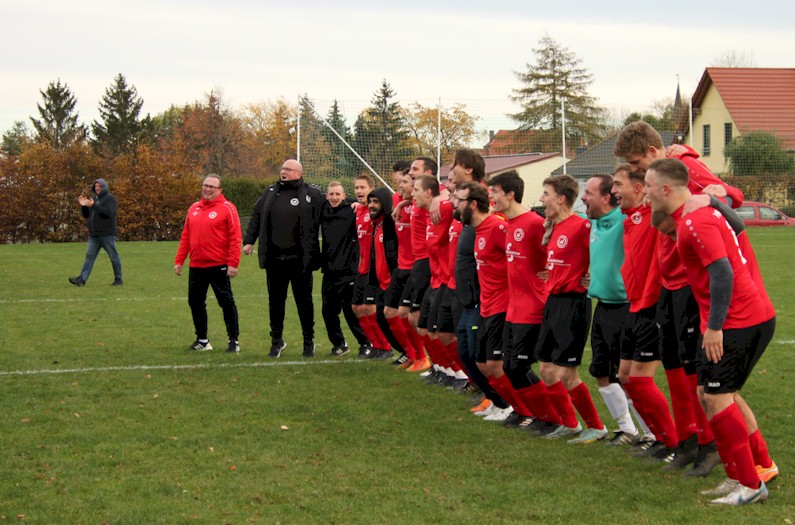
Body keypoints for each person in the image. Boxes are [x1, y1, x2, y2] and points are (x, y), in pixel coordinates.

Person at [644, 157, 776, 506]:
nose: (645, 192)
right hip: (729, 320)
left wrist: (715, 327)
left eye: (647, 185)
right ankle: (738, 476)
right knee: (707, 395)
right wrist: (717, 201)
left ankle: (751, 484)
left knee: (718, 398)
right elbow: (739, 230)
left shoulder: (694, 222)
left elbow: (722, 274)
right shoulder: (695, 216)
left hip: (739, 321)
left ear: (666, 189)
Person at [534, 175, 605, 440]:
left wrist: (592, 277)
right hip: (553, 301)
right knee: (547, 369)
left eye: (546, 193)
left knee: (566, 372)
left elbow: (605, 254)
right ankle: (570, 423)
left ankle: (597, 426)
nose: (542, 199)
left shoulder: (582, 226)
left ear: (561, 199)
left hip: (574, 303)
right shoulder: (553, 226)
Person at [579, 173, 644, 446]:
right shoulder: (592, 223)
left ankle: (653, 433)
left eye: (589, 193)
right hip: (602, 307)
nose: (583, 197)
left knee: (629, 378)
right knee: (601, 372)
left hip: (626, 309)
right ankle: (626, 429)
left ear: (606, 198)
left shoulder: (624, 221)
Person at [243, 159, 325, 358]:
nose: (283, 172)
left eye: (288, 169)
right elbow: (256, 215)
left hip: (300, 260)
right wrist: (249, 240)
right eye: (282, 169)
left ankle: (308, 342)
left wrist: (354, 204)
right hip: (274, 259)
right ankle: (276, 341)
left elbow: (332, 205)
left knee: (304, 302)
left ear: (298, 173)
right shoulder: (270, 192)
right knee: (276, 302)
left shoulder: (311, 193)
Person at [174, 175, 242, 353]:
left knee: (226, 302)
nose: (208, 189)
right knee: (195, 302)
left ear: (220, 190)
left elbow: (235, 238)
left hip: (218, 264)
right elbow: (186, 236)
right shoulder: (193, 208)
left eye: (212, 186)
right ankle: (202, 340)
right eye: (205, 185)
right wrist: (180, 260)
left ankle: (233, 340)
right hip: (196, 265)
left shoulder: (228, 208)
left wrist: (233, 263)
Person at [320, 181, 369, 356]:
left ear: (343, 196)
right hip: (329, 270)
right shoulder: (323, 210)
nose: (334, 197)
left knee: (350, 311)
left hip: (349, 270)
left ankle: (365, 343)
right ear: (327, 196)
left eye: (337, 194)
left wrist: (355, 203)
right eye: (331, 194)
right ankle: (339, 344)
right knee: (328, 310)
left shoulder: (352, 210)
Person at [69, 178, 123, 287]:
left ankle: (118, 279)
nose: (97, 188)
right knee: (89, 256)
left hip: (107, 234)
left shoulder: (110, 199)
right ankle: (82, 280)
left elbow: (107, 213)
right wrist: (84, 206)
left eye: (99, 186)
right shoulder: (93, 199)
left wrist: (93, 205)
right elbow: (86, 215)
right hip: (94, 235)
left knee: (113, 257)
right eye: (96, 186)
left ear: (104, 187)